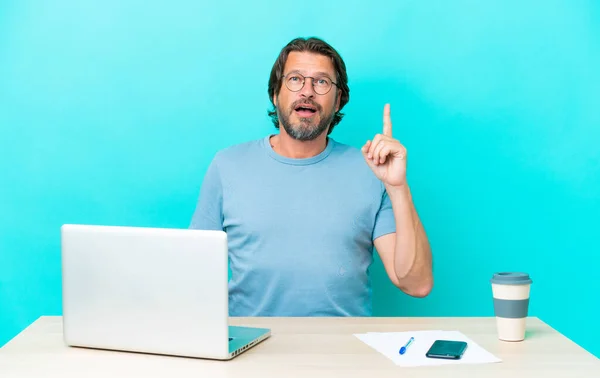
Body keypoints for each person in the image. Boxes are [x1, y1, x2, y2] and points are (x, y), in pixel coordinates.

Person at [190, 37, 433, 317]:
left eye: (321, 82)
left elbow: (416, 284)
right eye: (295, 79)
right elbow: (195, 274)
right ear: (275, 94)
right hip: (249, 350)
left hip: (343, 352)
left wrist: (398, 188)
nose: (307, 91)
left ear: (338, 99)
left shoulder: (372, 170)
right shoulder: (227, 165)